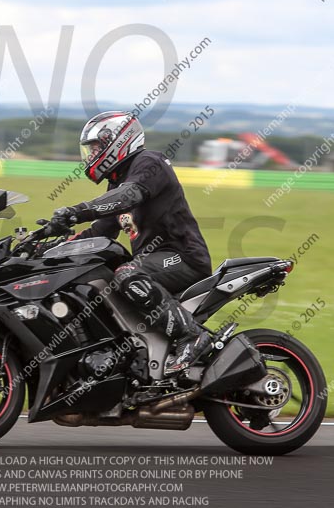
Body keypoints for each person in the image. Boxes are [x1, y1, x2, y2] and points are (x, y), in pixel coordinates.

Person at [50, 110, 214, 375]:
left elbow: (128, 196)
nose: (91, 156)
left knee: (127, 273)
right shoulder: (119, 181)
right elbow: (100, 233)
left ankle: (192, 336)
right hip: (154, 260)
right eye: (89, 150)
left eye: (96, 148)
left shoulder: (150, 163)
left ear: (118, 141)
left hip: (182, 256)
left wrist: (76, 210)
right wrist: (50, 245)